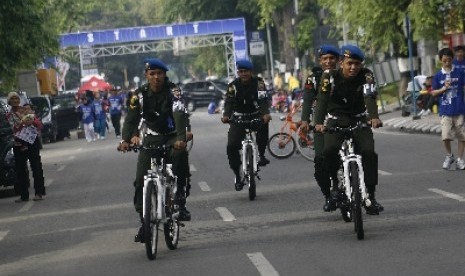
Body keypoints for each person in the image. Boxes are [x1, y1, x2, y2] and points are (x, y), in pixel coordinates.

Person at [118, 58, 191, 243]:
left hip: (173, 135)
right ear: (146, 75)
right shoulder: (139, 95)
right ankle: (145, 222)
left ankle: (180, 199)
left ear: (165, 74)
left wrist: (181, 139)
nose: (156, 77)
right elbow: (131, 119)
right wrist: (125, 140)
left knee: (179, 157)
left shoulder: (174, 91)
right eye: (152, 74)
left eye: (159, 73)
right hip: (151, 138)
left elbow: (179, 114)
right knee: (140, 181)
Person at [314, 45, 384, 215]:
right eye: (350, 63)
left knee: (369, 153)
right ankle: (336, 188)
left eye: (357, 64)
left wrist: (374, 116)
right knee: (328, 151)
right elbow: (322, 100)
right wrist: (318, 123)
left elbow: (369, 97)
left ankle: (371, 196)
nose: (353, 67)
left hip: (359, 119)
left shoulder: (366, 76)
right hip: (336, 120)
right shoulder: (328, 77)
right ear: (341, 63)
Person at [221, 59, 272, 191]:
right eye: (241, 71)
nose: (243, 74)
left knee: (264, 124)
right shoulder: (233, 86)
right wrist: (226, 115)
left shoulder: (259, 83)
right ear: (238, 72)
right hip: (238, 117)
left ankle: (261, 154)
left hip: (255, 114)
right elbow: (229, 102)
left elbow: (263, 100)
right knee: (231, 145)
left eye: (246, 71)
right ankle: (237, 175)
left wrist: (265, 114)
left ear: (251, 72)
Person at [300, 45, 340, 212]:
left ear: (337, 61)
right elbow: (308, 100)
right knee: (320, 161)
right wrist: (304, 121)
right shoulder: (313, 79)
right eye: (325, 59)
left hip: (342, 120)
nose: (329, 61)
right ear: (320, 61)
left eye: (332, 58)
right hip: (320, 123)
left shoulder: (344, 75)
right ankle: (328, 195)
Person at [6, 92, 46, 202]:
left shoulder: (26, 110)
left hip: (31, 142)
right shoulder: (8, 115)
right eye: (12, 99)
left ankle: (39, 192)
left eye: (16, 98)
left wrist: (31, 122)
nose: (15, 100)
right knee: (20, 169)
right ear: (9, 102)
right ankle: (24, 195)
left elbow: (38, 124)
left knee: (36, 167)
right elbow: (11, 129)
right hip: (18, 143)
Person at [430, 47, 465, 170]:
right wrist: (443, 88)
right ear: (441, 60)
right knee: (445, 136)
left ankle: (460, 159)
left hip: (459, 108)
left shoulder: (460, 73)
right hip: (445, 110)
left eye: (449, 60)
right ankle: (449, 155)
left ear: (452, 59)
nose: (447, 63)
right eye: (444, 61)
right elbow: (433, 92)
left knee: (462, 136)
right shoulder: (438, 75)